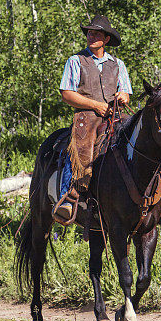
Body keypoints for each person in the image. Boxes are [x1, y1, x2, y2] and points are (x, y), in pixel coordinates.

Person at [54, 14, 132, 221]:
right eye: (90, 32)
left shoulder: (118, 64)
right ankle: (68, 199)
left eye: (96, 33)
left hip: (115, 116)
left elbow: (125, 91)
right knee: (80, 148)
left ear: (106, 39)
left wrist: (123, 96)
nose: (91, 36)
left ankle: (156, 198)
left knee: (138, 142)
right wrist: (96, 105)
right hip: (86, 116)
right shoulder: (76, 61)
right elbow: (67, 94)